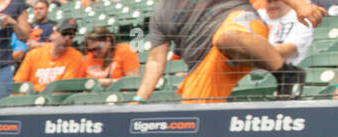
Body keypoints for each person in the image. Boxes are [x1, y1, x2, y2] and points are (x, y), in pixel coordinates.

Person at [135, 0, 322, 104]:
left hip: (241, 28)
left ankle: (286, 73)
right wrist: (138, 100)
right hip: (205, 61)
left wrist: (298, 5)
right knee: (194, 116)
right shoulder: (159, 13)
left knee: (225, 37)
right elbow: (155, 60)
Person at [14, 19, 84, 90]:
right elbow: (19, 82)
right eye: (64, 33)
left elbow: (65, 88)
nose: (67, 38)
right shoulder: (34, 54)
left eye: (71, 35)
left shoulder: (76, 57)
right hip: (33, 96)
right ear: (54, 34)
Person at [259, 0, 314, 75]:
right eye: (269, 2)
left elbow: (288, 48)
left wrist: (250, 52)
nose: (272, 5)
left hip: (285, 74)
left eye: (276, 1)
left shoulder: (301, 19)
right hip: (250, 74)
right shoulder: (258, 14)